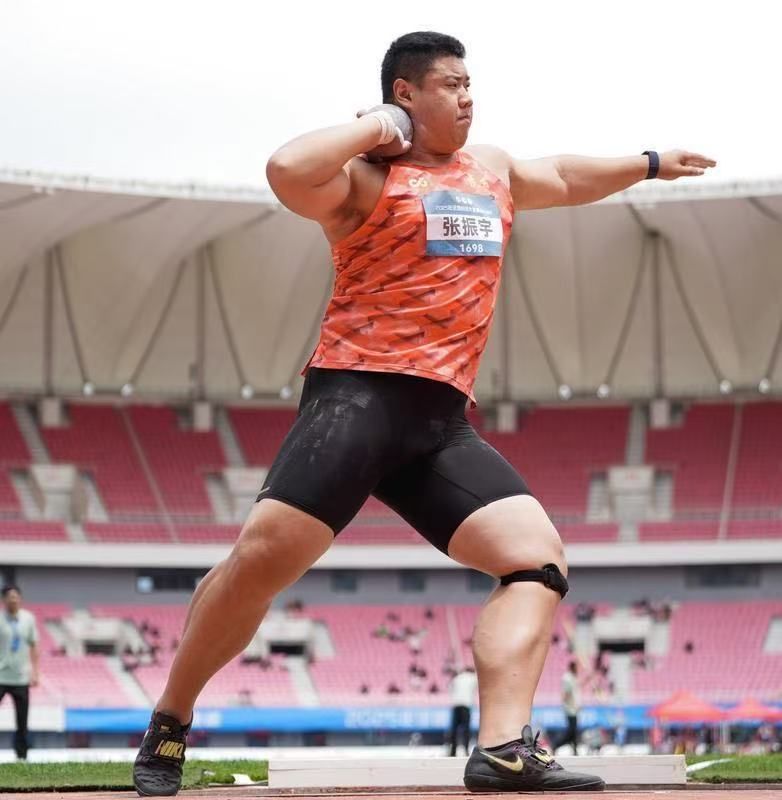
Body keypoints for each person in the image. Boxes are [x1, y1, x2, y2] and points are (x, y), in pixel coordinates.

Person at [131, 31, 715, 796]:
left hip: (439, 422)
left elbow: (563, 176)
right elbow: (285, 170)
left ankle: (503, 747)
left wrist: (649, 162)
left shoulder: (491, 168)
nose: (468, 98)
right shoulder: (364, 181)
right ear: (406, 93)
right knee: (259, 565)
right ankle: (171, 720)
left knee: (536, 562)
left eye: (471, 84)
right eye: (451, 85)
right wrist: (379, 129)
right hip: (355, 399)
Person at [0, 585, 40, 761]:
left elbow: (34, 645)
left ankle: (21, 757)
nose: (13, 600)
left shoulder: (28, 619)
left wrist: (35, 672)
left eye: (16, 596)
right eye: (10, 597)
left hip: (21, 677)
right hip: (1, 676)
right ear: (3, 600)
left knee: (22, 720)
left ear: (20, 599)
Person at [553, 661, 583, 754]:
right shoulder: (568, 678)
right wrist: (568, 703)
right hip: (570, 709)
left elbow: (576, 689)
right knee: (571, 731)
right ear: (573, 667)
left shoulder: (573, 678)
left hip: (573, 709)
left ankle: (575, 750)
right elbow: (566, 693)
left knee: (573, 731)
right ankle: (556, 745)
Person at [448, 665, 478, 756]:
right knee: (466, 729)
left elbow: (450, 689)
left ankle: (452, 751)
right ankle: (466, 750)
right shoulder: (473, 678)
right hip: (466, 705)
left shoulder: (457, 678)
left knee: (454, 730)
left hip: (456, 705)